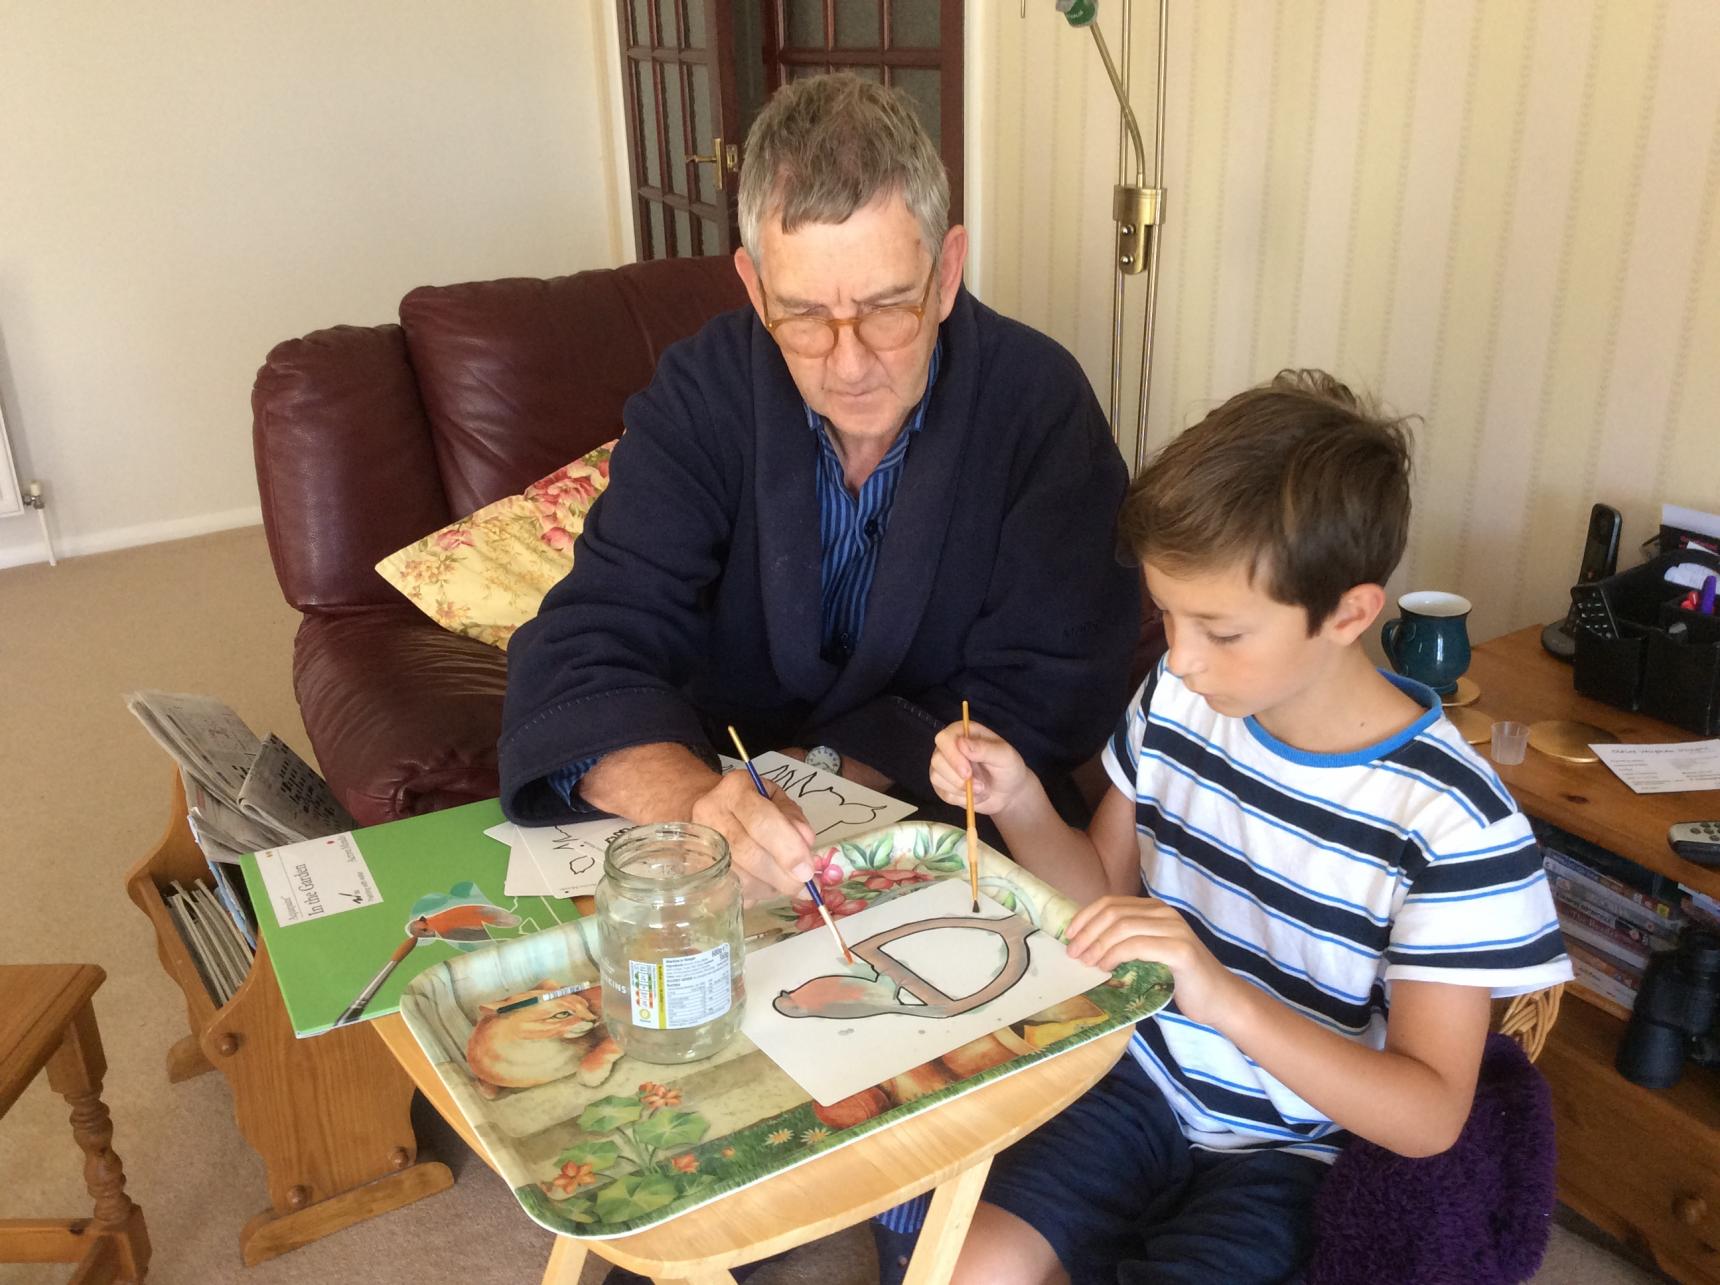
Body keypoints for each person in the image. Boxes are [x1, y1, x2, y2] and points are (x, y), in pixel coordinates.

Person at [928, 370, 1572, 1284]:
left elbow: (1429, 1117)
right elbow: (1100, 895)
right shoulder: (1179, 700)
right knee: (960, 1267)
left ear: (1349, 613)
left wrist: (1220, 994)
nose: (1180, 657)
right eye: (1167, 614)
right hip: (1135, 1078)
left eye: (1221, 632)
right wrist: (1021, 798)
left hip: (1295, 1146)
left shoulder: (1452, 821)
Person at [499, 72, 1139, 902]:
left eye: (887, 308)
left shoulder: (1039, 408)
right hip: (719, 796)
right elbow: (591, 640)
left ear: (947, 272)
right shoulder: (701, 395)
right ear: (753, 286)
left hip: (945, 811)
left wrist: (828, 767)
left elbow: (1052, 682)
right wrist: (696, 805)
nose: (849, 365)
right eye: (803, 315)